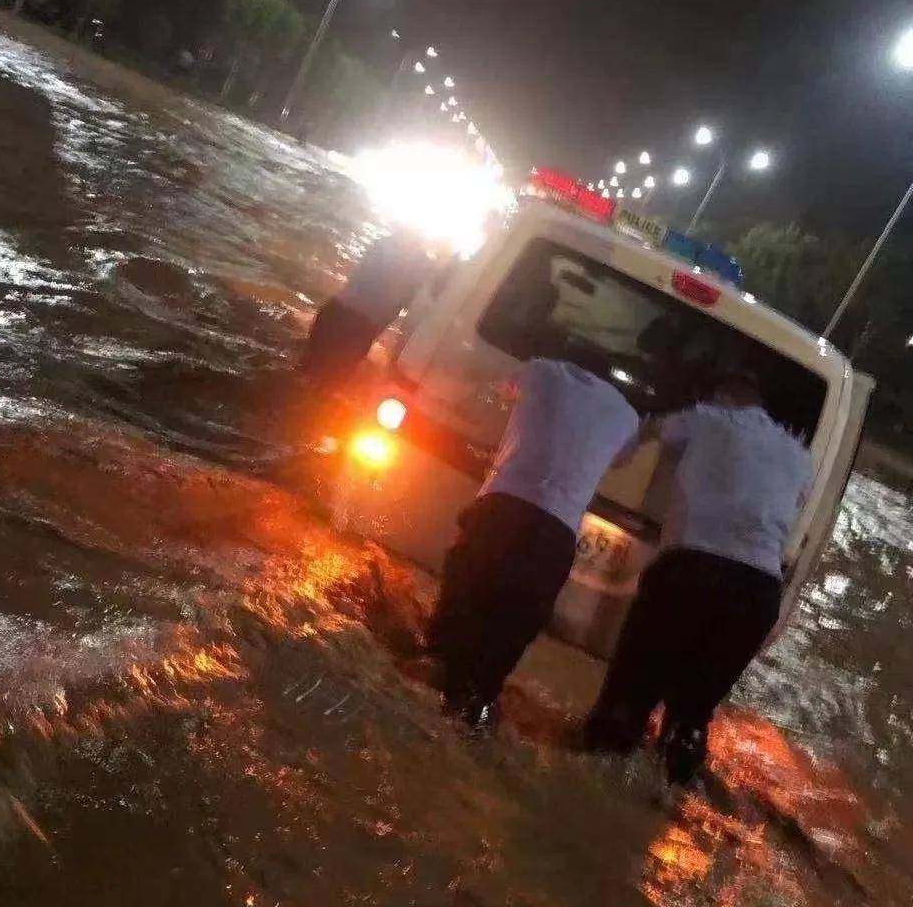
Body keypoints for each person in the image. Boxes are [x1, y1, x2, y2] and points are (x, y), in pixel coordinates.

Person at [582, 373, 813, 785]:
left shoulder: (707, 417)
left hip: (691, 572)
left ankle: (593, 781)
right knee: (692, 712)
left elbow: (651, 429)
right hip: (758, 593)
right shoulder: (799, 455)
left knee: (629, 696)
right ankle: (669, 788)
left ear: (723, 399)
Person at [426, 348, 640, 727]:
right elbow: (623, 459)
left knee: (460, 606)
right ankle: (477, 699)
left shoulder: (541, 370)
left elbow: (503, 387)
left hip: (500, 511)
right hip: (555, 535)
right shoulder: (626, 415)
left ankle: (436, 673)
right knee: (512, 628)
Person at [301, 228, 439, 387]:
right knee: (332, 381)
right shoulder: (423, 265)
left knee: (307, 371)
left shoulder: (384, 244)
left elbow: (357, 280)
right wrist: (375, 336)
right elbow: (401, 307)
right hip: (361, 324)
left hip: (336, 311)